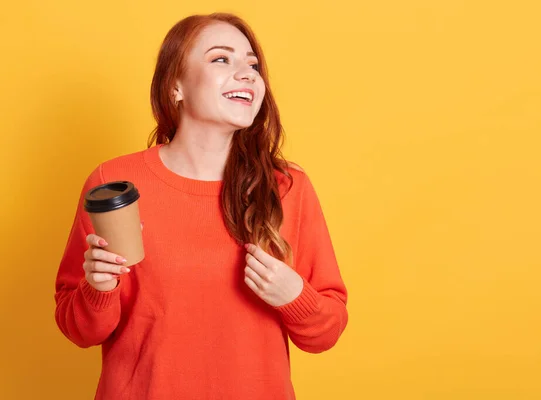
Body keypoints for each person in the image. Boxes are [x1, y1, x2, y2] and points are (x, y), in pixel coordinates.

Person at [54, 12, 348, 400]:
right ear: (175, 85)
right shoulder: (115, 185)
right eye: (221, 58)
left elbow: (325, 333)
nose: (247, 74)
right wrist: (98, 287)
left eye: (253, 65)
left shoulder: (287, 187)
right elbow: (80, 329)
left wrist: (295, 295)